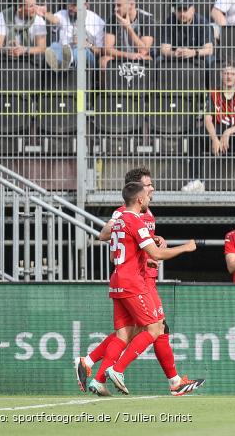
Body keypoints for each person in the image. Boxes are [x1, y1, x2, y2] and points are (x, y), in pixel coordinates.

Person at [77, 168, 204, 398]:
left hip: (134, 278)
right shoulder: (127, 215)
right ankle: (125, 371)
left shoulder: (143, 214)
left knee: (127, 332)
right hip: (137, 280)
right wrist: (184, 247)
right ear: (138, 192)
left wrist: (151, 240)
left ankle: (95, 372)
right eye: (148, 185)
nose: (152, 189)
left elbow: (135, 243)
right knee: (156, 328)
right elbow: (106, 235)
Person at [182, 62, 235, 194]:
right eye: (225, 73)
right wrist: (214, 139)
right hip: (217, 133)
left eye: (232, 74)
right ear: (221, 75)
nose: (229, 77)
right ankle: (196, 181)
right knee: (194, 135)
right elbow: (207, 118)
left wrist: (228, 132)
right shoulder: (213, 93)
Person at [42, 0, 106, 70]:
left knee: (78, 52)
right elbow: (54, 19)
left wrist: (86, 44)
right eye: (69, 3)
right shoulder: (63, 13)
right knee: (54, 46)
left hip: (86, 53)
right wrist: (45, 14)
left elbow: (100, 51)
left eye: (74, 5)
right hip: (64, 50)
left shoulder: (97, 22)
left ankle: (66, 61)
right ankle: (64, 62)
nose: (70, 8)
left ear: (86, 5)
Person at [100, 0, 154, 69]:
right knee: (103, 61)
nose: (115, 9)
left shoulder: (147, 19)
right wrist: (126, 55)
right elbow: (106, 49)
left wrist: (128, 28)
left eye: (119, 5)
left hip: (141, 56)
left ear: (131, 5)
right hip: (120, 55)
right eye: (114, 5)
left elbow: (143, 50)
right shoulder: (112, 19)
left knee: (148, 60)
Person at [0, 0, 46, 67]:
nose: (35, 9)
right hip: (8, 57)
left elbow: (42, 48)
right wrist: (7, 50)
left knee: (41, 57)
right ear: (19, 7)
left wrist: (24, 50)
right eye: (31, 6)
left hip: (30, 57)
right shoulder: (4, 15)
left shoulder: (38, 19)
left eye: (35, 4)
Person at [159, 0, 215, 68]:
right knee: (159, 59)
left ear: (192, 10)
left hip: (197, 55)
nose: (182, 14)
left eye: (185, 10)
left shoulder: (202, 22)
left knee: (210, 60)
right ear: (175, 11)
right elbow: (164, 49)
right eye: (179, 10)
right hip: (176, 55)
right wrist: (174, 53)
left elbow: (209, 50)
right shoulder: (169, 22)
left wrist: (193, 52)